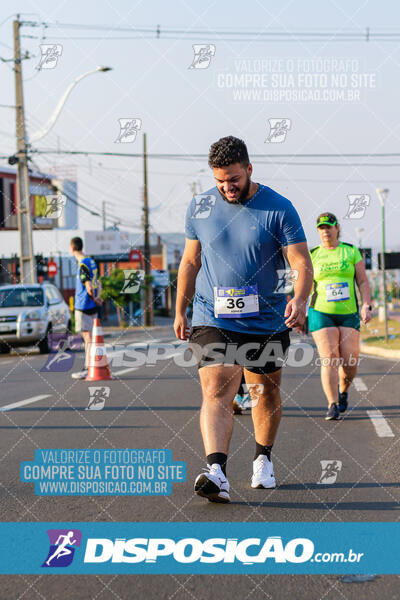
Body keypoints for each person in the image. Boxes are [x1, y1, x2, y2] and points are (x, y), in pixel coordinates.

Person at [174, 136, 313, 503]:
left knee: (263, 391)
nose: (226, 187)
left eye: (233, 179)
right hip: (211, 314)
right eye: (220, 180)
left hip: (266, 319)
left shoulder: (279, 208)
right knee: (217, 387)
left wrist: (300, 299)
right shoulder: (200, 207)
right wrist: (180, 308)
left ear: (249, 169)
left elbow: (301, 262)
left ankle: (263, 459)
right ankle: (216, 472)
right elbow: (190, 261)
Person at [308, 213, 372, 420]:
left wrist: (366, 305)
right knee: (329, 359)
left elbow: (362, 281)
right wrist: (300, 309)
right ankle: (332, 404)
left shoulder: (350, 251)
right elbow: (304, 285)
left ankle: (343, 391)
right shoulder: (313, 254)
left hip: (348, 313)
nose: (325, 231)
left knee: (350, 362)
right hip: (320, 311)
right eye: (321, 228)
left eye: (329, 227)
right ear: (318, 231)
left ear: (337, 228)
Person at [70, 237, 103, 379]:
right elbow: (99, 283)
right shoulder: (92, 262)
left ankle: (88, 367)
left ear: (72, 248)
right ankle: (95, 365)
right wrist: (99, 297)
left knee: (87, 338)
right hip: (93, 306)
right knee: (92, 338)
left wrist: (93, 297)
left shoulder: (82, 264)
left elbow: (88, 284)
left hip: (83, 305)